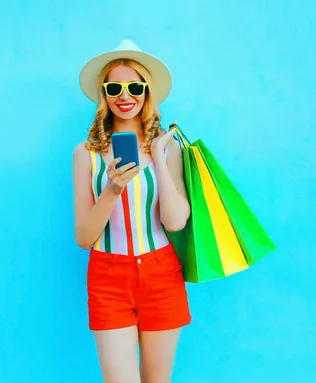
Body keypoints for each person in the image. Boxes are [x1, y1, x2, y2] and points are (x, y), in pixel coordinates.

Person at [72, 40, 192, 383]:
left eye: (135, 86)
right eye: (115, 87)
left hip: (161, 274)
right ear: (104, 94)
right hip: (108, 277)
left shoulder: (167, 149)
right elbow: (84, 237)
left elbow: (175, 220)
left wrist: (158, 153)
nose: (125, 95)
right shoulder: (86, 154)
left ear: (146, 92)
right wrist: (111, 189)